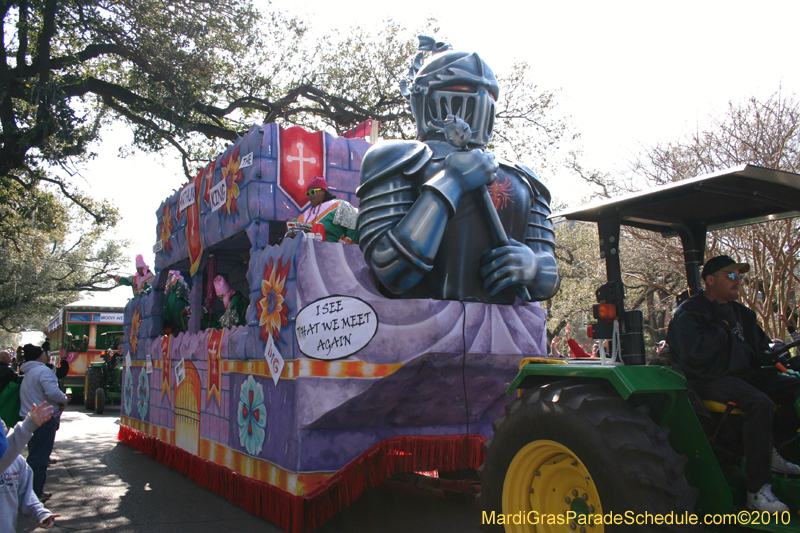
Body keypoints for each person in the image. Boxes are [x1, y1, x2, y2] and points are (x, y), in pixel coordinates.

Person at [356, 38, 558, 304]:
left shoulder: (523, 178)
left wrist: (532, 266)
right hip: (418, 334)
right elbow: (391, 269)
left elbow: (548, 276)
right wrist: (450, 181)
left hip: (507, 337)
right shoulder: (398, 159)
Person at [666, 255, 800, 512]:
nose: (738, 281)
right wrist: (722, 327)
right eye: (732, 276)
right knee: (759, 402)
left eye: (740, 276)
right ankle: (757, 491)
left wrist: (781, 357)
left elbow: (761, 349)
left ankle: (770, 449)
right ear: (710, 280)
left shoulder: (744, 314)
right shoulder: (690, 312)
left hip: (746, 376)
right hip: (709, 378)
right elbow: (695, 355)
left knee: (795, 386)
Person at [18, 344, 69, 501]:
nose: (46, 355)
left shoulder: (31, 371)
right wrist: (64, 399)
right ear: (40, 357)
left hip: (30, 418)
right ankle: (34, 493)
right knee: (39, 458)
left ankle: (29, 491)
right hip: (43, 420)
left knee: (34, 455)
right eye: (44, 353)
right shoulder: (43, 371)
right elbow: (52, 392)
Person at [1, 413, 57, 530]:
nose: (2, 423)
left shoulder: (17, 461)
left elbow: (26, 493)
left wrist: (40, 513)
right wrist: (27, 427)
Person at [289, 176, 359, 244]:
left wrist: (344, 247)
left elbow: (353, 226)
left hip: (332, 253)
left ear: (322, 191)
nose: (310, 195)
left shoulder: (340, 206)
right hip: (307, 254)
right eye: (308, 193)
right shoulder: (307, 214)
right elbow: (293, 229)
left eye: (313, 192)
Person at [163, 270, 191, 335]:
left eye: (170, 276)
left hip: (181, 321)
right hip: (173, 321)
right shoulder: (169, 290)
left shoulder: (181, 284)